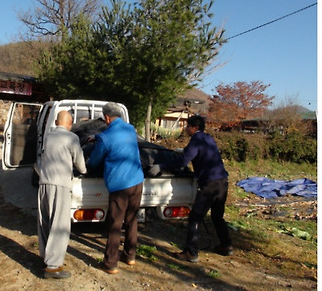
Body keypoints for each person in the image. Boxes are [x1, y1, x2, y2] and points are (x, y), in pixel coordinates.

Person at [149, 115, 232, 263]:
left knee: (195, 216)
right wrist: (185, 150)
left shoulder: (196, 140)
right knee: (217, 216)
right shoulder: (208, 138)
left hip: (210, 184)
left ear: (194, 128)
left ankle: (191, 252)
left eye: (187, 126)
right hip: (222, 182)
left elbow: (183, 161)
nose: (186, 128)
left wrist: (161, 166)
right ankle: (226, 245)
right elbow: (200, 153)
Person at [87, 102, 144, 274]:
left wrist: (90, 158)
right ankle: (130, 256)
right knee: (131, 220)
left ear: (106, 117)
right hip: (137, 181)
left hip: (120, 186)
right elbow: (116, 138)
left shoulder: (106, 137)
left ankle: (111, 263)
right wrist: (97, 138)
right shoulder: (130, 129)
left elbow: (95, 161)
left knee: (115, 224)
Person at [37, 110, 87, 279]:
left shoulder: (47, 136)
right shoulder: (72, 138)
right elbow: (80, 163)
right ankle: (53, 267)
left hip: (44, 183)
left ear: (56, 122)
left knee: (45, 222)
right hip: (60, 186)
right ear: (70, 123)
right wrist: (85, 170)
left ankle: (46, 257)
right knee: (59, 225)